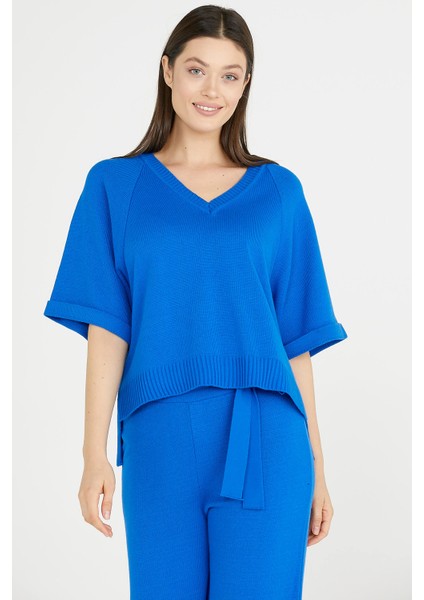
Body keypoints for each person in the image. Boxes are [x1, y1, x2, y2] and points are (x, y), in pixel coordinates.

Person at [43, 5, 348, 599]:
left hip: (266, 436)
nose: (212, 90)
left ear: (246, 84)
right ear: (167, 71)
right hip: (159, 434)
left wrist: (318, 469)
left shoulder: (279, 192)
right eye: (196, 70)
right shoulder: (115, 186)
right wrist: (92, 454)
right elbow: (108, 327)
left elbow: (296, 342)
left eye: (230, 75)